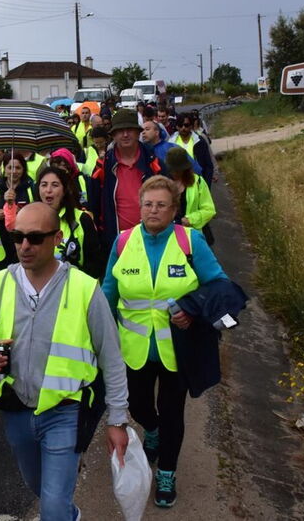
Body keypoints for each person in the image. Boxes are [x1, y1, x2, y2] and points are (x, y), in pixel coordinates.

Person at [0, 203, 129, 521]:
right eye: (17, 237)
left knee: (52, 508)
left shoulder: (85, 288)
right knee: (38, 486)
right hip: (16, 412)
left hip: (65, 413)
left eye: (35, 238)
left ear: (57, 238)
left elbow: (111, 357)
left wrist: (117, 420)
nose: (24, 246)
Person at [102, 175, 227, 508]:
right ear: (139, 206)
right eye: (147, 204)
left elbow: (218, 286)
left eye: (161, 205)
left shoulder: (190, 242)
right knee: (140, 407)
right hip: (134, 350)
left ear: (174, 210)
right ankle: (151, 431)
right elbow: (107, 294)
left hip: (177, 349)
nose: (153, 210)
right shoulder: (123, 243)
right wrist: (96, 336)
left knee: (173, 413)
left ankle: (167, 472)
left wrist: (192, 309)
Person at [88, 108, 166, 251]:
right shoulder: (102, 166)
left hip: (153, 241)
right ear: (113, 135)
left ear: (138, 132)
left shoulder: (155, 164)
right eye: (120, 130)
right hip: (117, 243)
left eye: (129, 129)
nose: (125, 134)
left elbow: (172, 200)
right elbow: (93, 205)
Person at [36, 166, 103, 278]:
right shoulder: (30, 219)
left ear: (64, 190)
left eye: (55, 185)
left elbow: (95, 265)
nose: (48, 190)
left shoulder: (82, 219)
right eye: (44, 185)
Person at [0, 152, 35, 266]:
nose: (14, 171)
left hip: (25, 248)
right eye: (10, 167)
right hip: (0, 254)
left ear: (23, 169)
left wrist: (21, 213)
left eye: (18, 168)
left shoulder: (31, 189)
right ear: (4, 169)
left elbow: (39, 215)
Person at [165, 146, 216, 232]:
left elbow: (209, 210)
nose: (174, 173)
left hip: (191, 234)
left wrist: (190, 219)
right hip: (168, 234)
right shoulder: (162, 183)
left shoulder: (198, 182)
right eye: (172, 169)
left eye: (178, 170)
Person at [168, 113, 214, 185]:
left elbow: (208, 165)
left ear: (191, 126)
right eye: (180, 125)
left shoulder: (199, 141)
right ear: (177, 126)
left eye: (186, 125)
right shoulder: (170, 142)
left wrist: (206, 183)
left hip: (197, 182)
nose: (183, 128)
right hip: (179, 184)